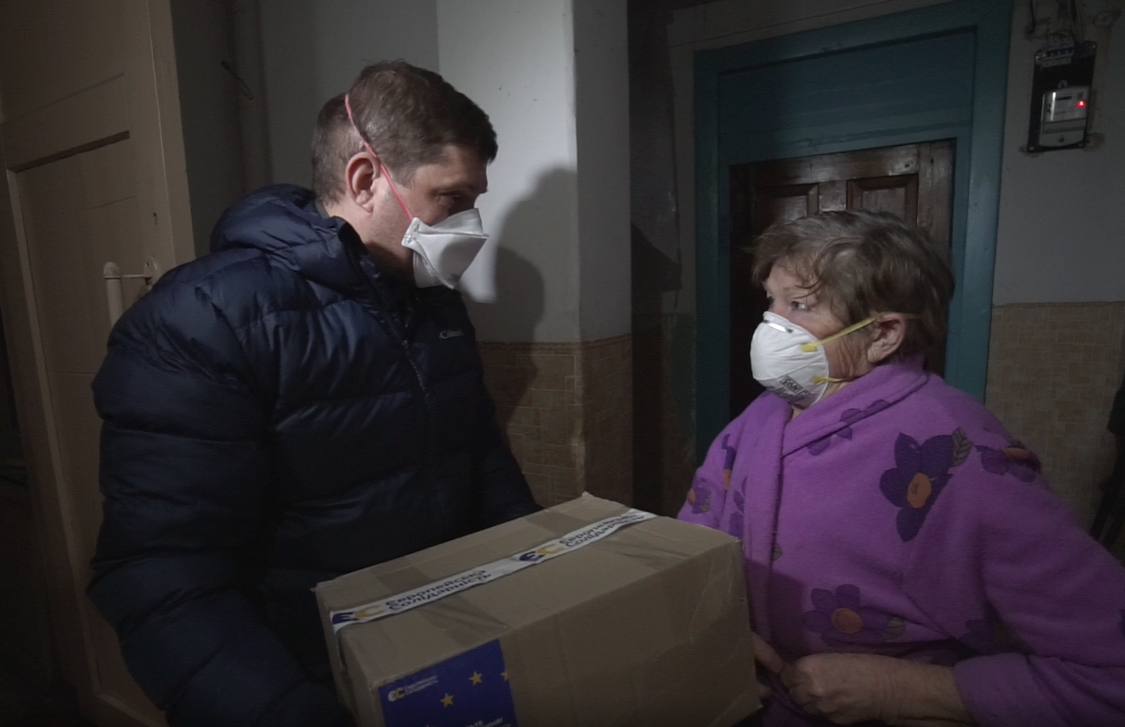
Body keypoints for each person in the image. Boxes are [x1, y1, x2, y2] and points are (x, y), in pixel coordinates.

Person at [88, 60, 540, 727]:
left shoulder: (434, 306)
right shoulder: (202, 319)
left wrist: (538, 586)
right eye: (451, 198)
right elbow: (161, 576)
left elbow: (479, 462)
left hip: (437, 662)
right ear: (365, 179)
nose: (470, 224)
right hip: (300, 680)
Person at [680, 210, 1125, 727]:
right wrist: (721, 631)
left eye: (799, 305)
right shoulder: (761, 418)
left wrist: (899, 691)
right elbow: (696, 541)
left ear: (883, 334)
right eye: (771, 301)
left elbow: (1111, 669)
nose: (770, 325)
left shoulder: (962, 458)